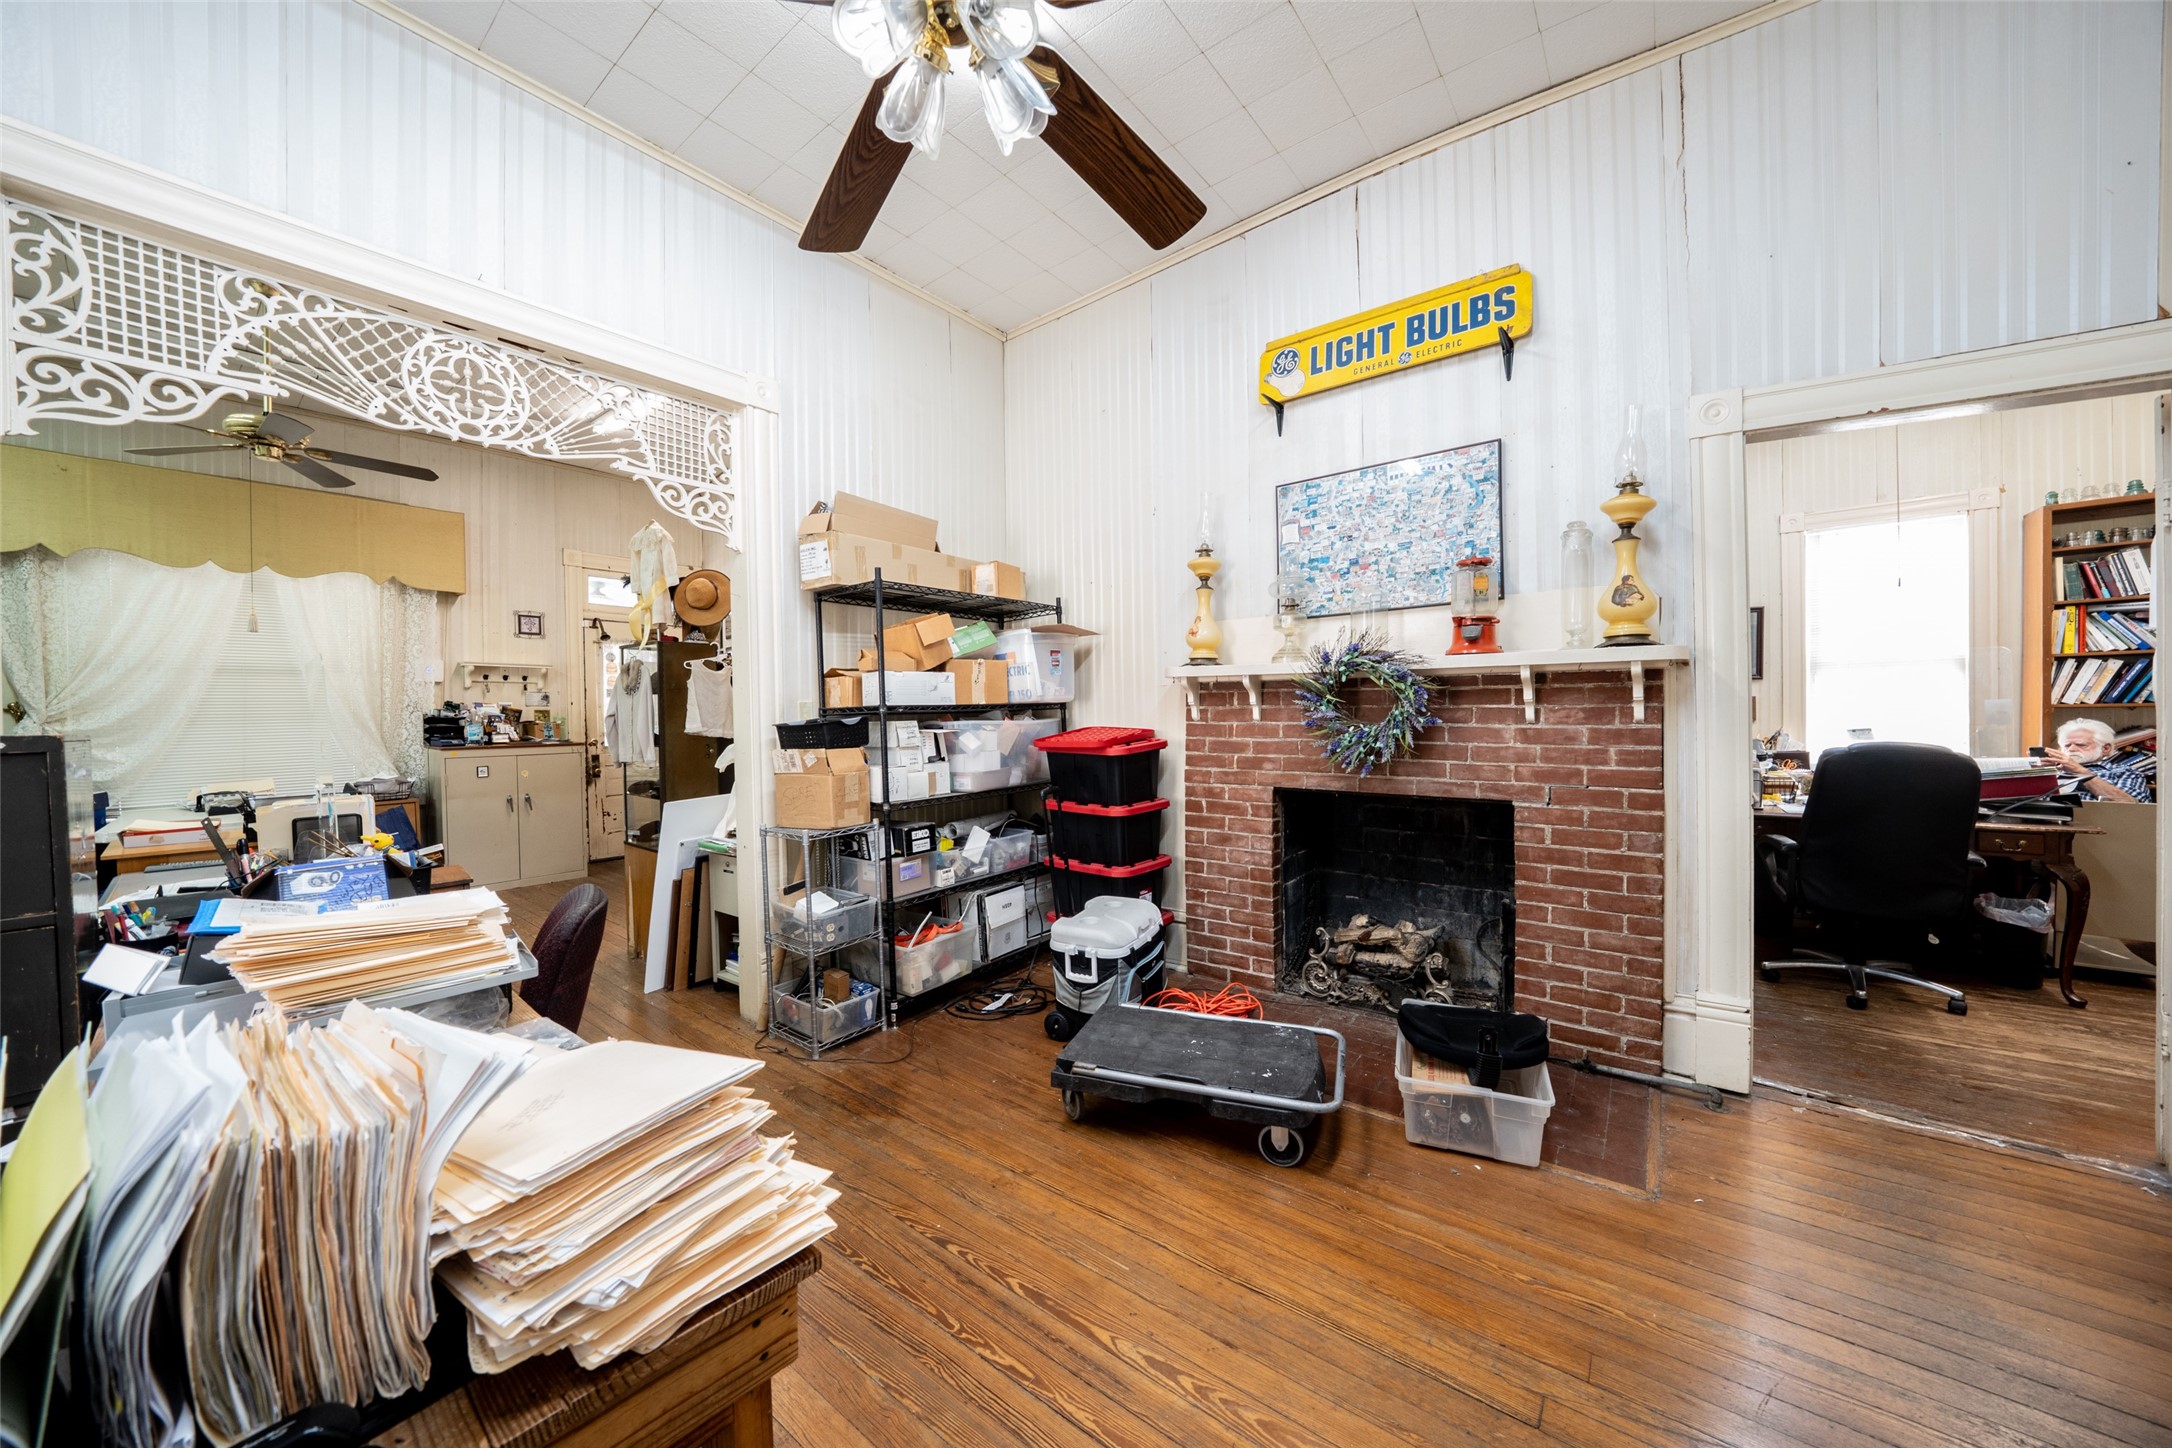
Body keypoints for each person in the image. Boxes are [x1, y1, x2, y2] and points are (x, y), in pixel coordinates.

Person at [2044, 718, 2152, 804]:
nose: (2071, 749)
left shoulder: (2125, 773)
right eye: (2067, 745)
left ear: (2105, 749)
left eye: (2081, 745)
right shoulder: (2050, 771)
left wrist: (2081, 772)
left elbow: (2131, 808)